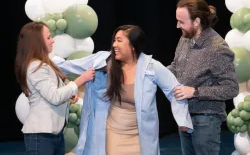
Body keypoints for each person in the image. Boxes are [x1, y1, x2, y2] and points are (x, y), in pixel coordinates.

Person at [53, 25, 193, 155]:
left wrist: (183, 120)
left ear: (133, 46)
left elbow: (174, 90)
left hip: (141, 134)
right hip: (113, 132)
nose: (114, 45)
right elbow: (70, 66)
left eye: (119, 40)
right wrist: (45, 62)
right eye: (114, 40)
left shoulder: (151, 67)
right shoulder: (104, 61)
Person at [167, 0, 239, 155]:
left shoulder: (217, 48)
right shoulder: (185, 38)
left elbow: (231, 88)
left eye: (181, 22)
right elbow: (176, 67)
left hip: (206, 119)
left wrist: (195, 92)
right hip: (185, 115)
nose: (178, 26)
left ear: (197, 21)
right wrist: (153, 72)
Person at [15, 22, 95, 155]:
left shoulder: (44, 64)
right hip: (41, 136)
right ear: (37, 42)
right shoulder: (35, 66)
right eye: (48, 38)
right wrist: (81, 80)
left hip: (54, 135)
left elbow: (55, 89)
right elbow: (55, 97)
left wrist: (69, 93)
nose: (52, 41)